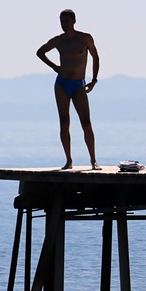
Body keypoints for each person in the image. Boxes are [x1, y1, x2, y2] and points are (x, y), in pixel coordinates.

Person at [36, 9, 100, 170]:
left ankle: (93, 161)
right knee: (64, 122)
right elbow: (40, 52)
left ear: (74, 21)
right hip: (62, 84)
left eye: (66, 21)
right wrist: (54, 67)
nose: (64, 24)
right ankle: (68, 160)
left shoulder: (85, 38)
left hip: (79, 84)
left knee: (86, 122)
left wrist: (93, 80)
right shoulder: (59, 41)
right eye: (61, 21)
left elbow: (95, 57)